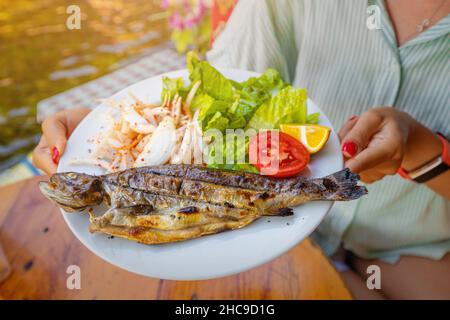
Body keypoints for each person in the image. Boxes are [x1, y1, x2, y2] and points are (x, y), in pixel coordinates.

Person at [33, 0, 450, 299]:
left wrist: (425, 152)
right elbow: (219, 93)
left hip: (415, 248)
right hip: (283, 236)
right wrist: (113, 126)